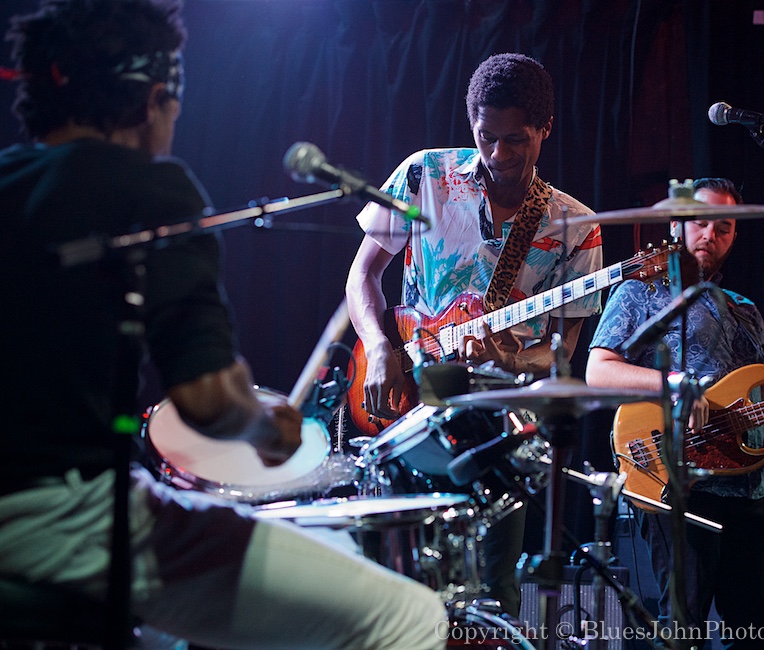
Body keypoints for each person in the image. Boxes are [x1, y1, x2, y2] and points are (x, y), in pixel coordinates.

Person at [0, 1, 446, 648]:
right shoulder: (152, 192)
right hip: (70, 516)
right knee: (410, 617)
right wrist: (264, 428)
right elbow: (208, 403)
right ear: (155, 97)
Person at [346, 52, 604, 616]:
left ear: (546, 130)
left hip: (498, 433)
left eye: (517, 140)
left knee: (491, 599)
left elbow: (560, 357)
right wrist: (378, 346)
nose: (498, 155)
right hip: (408, 410)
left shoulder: (576, 227)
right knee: (398, 591)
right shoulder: (424, 175)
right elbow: (363, 272)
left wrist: (513, 361)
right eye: (486, 137)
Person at [586, 178, 764, 647]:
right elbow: (599, 372)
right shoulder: (639, 293)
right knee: (684, 627)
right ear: (677, 225)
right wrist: (675, 385)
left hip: (746, 490)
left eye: (724, 227)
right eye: (700, 223)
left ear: (735, 235)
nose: (710, 236)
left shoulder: (745, 310)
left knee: (754, 631)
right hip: (674, 480)